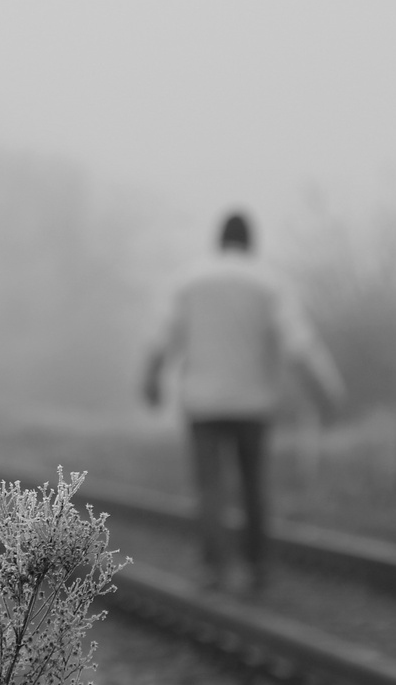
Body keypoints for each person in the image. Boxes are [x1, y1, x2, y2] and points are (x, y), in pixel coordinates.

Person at [143, 210, 344, 593]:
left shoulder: (190, 281)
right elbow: (299, 345)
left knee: (210, 487)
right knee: (253, 485)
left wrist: (151, 381)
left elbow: (162, 337)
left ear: (218, 243)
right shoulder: (268, 284)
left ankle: (215, 568)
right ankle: (256, 568)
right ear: (251, 244)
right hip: (253, 404)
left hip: (202, 403)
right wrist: (327, 392)